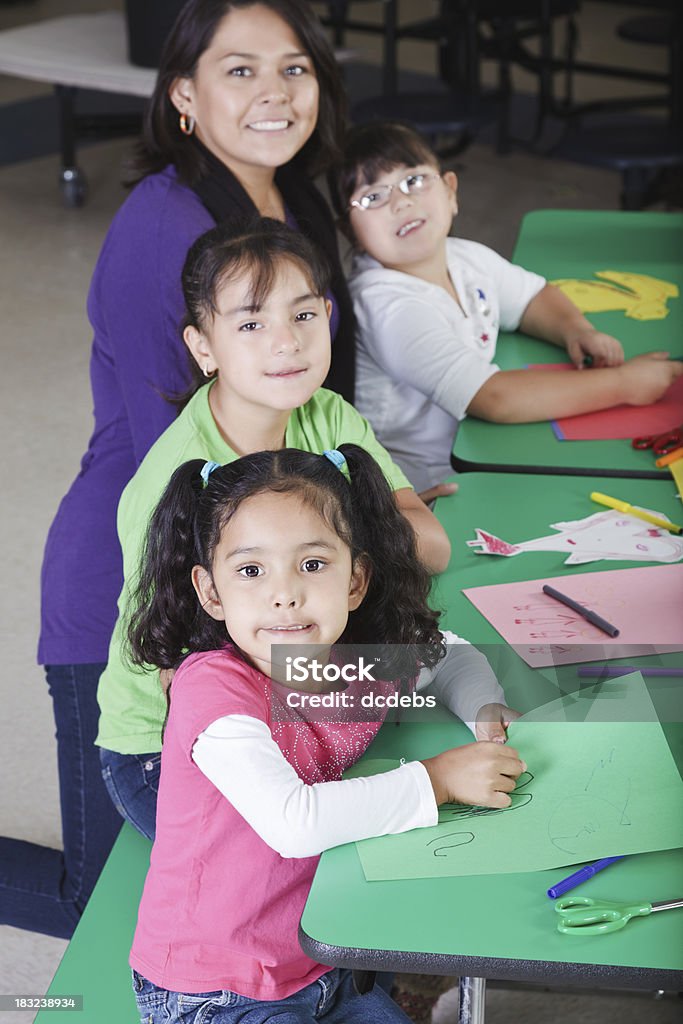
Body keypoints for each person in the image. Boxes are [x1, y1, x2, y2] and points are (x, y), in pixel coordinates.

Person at [0, 0, 357, 942]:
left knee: (248, 854)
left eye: (294, 67)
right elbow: (193, 459)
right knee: (103, 903)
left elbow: (305, 394)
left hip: (249, 570)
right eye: (239, 70)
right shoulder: (166, 224)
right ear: (184, 97)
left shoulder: (290, 195)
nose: (274, 93)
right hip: (134, 582)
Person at [125, 444, 524, 1023]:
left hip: (320, 959)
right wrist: (437, 780)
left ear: (356, 579)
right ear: (211, 592)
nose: (284, 593)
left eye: (313, 564)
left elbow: (452, 658)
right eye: (250, 570)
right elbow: (295, 821)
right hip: (214, 988)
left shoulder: (347, 661)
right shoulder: (212, 690)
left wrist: (487, 712)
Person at [96, 218, 451, 842]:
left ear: (330, 316)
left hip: (296, 695)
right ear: (203, 347)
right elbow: (176, 668)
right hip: (173, 744)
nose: (286, 343)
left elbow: (433, 547)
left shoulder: (326, 414)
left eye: (304, 316)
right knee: (313, 873)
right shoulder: (173, 483)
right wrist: (346, 538)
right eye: (251, 324)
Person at [331, 121, 683, 496]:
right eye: (373, 197)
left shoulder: (465, 256)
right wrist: (625, 384)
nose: (401, 201)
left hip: (479, 452)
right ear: (351, 232)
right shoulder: (386, 304)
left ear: (451, 191)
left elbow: (532, 297)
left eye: (414, 181)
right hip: (427, 489)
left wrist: (575, 329)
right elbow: (493, 398)